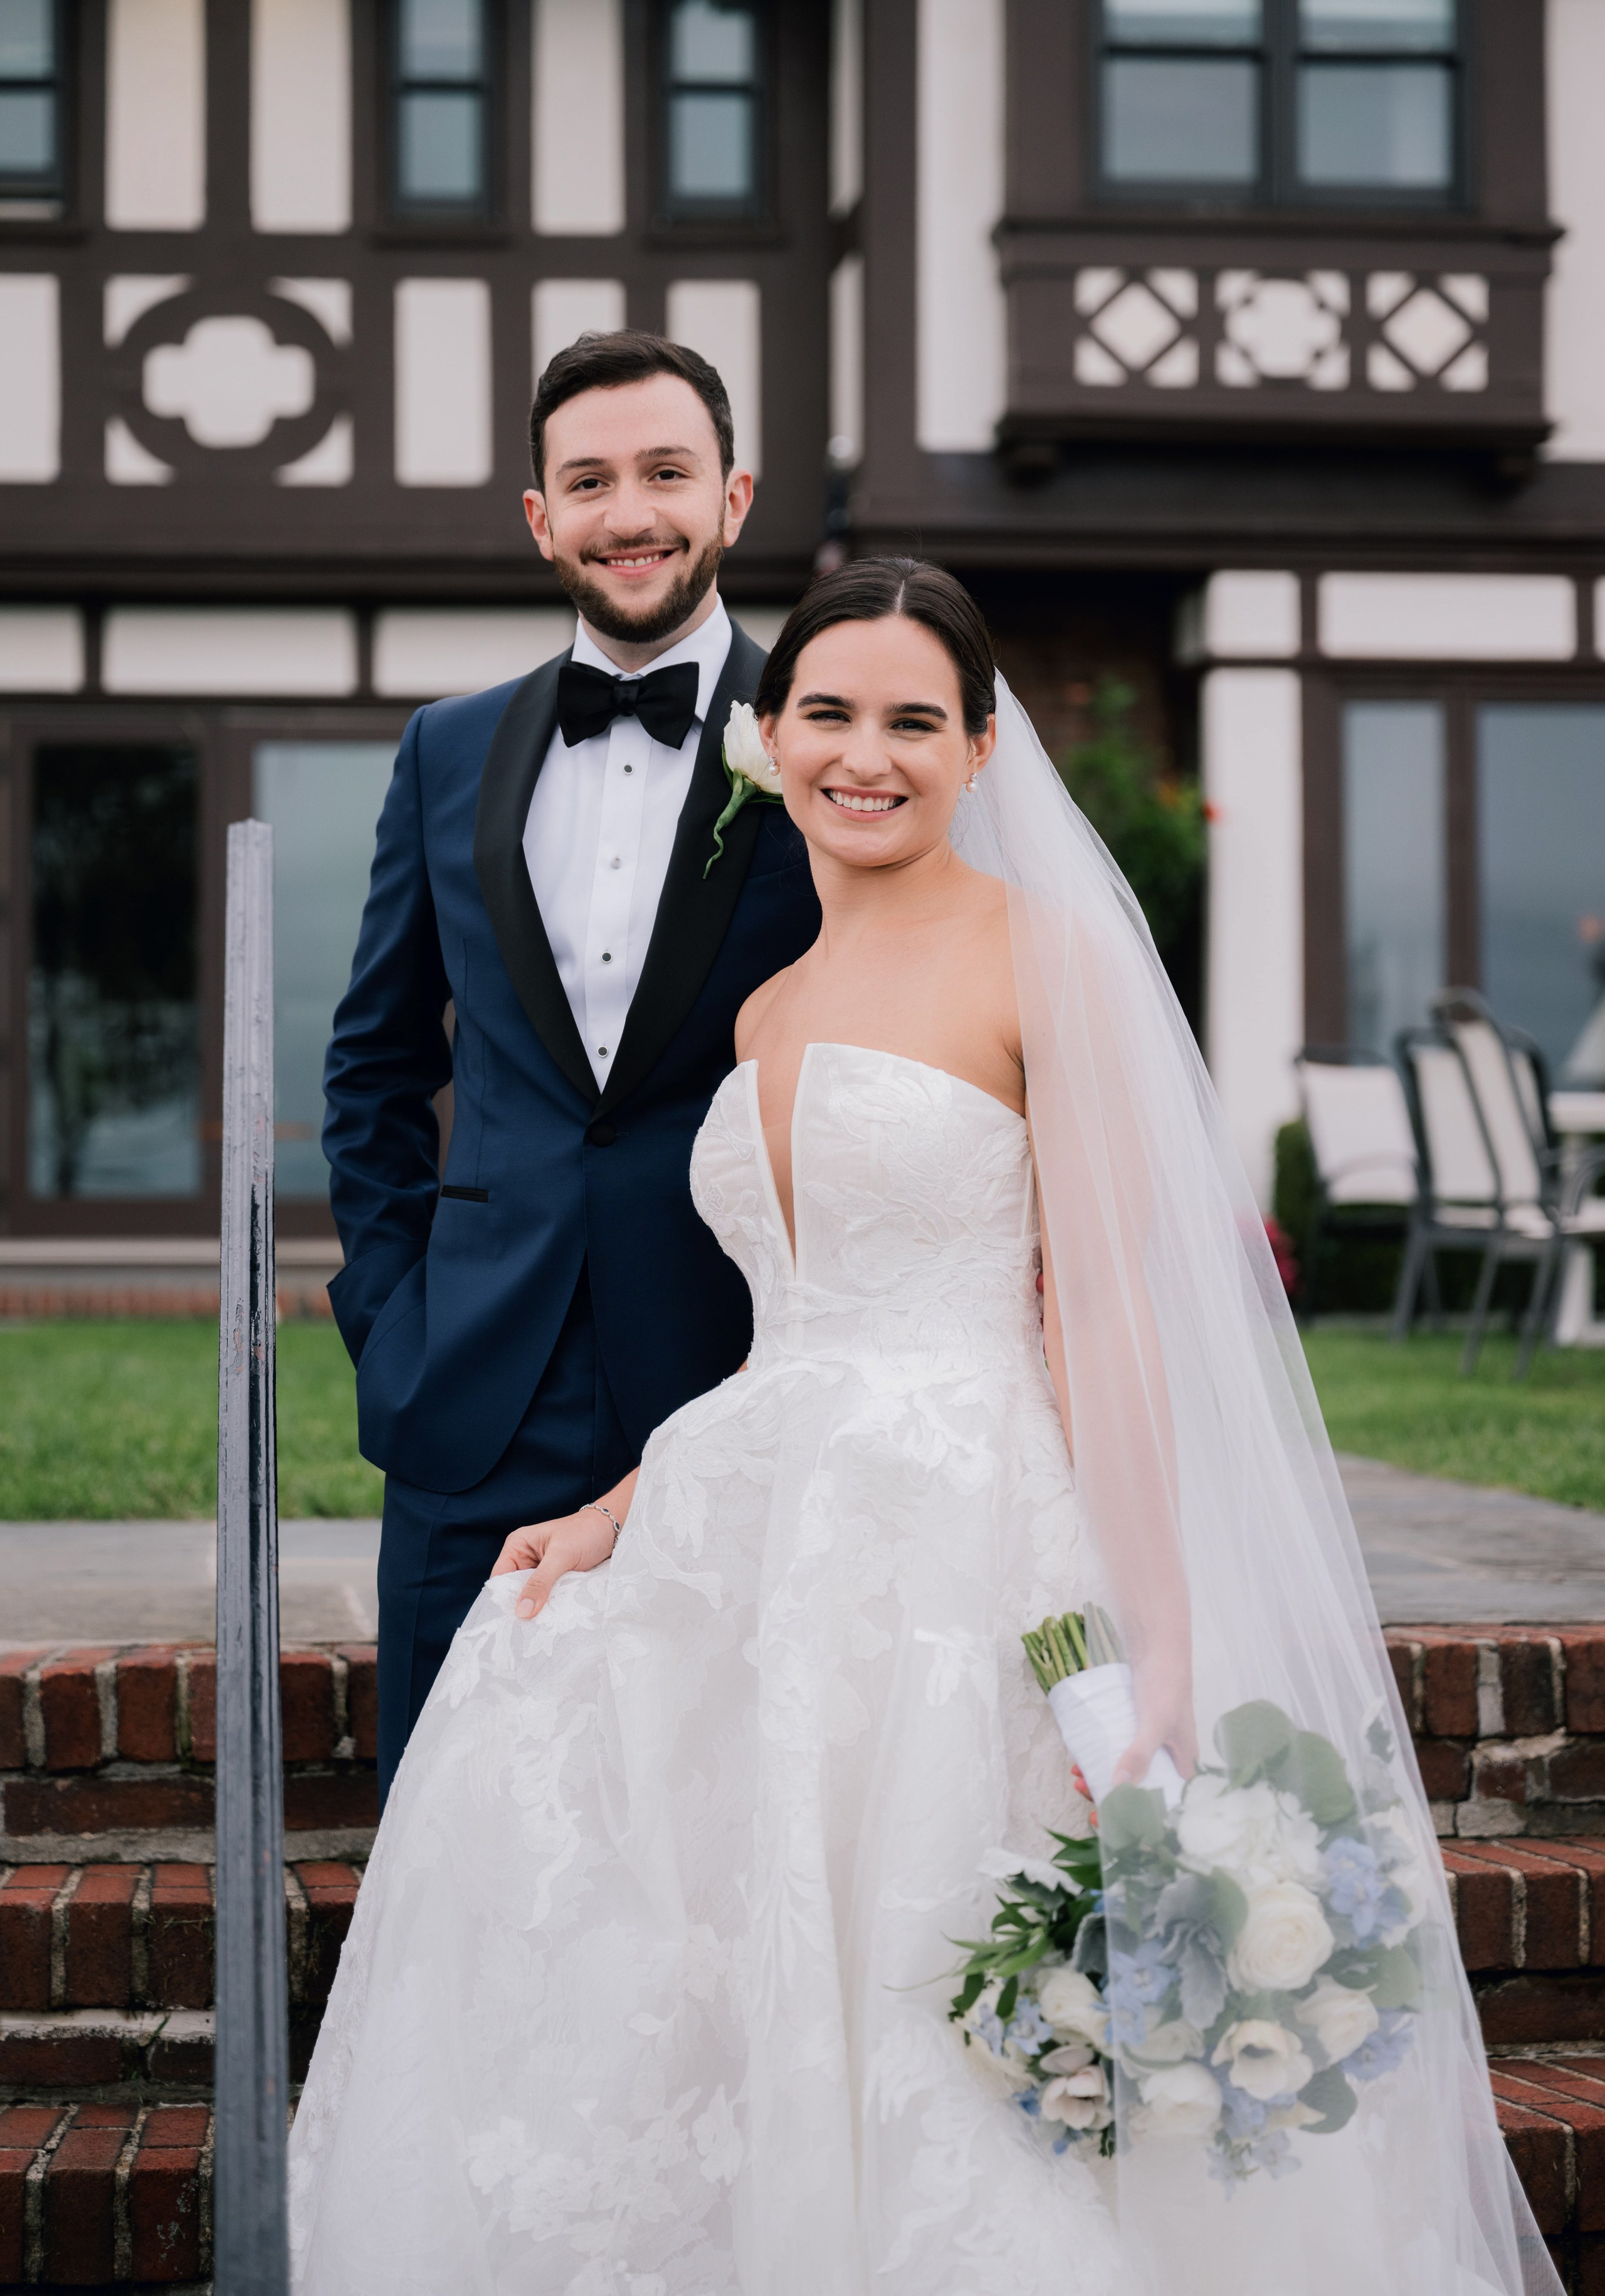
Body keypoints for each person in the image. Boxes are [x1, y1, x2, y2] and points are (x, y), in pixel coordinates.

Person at [292, 561, 1555, 2296]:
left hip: (962, 1545)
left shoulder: (1044, 959)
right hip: (759, 1516)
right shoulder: (768, 1004)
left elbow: (1099, 1318)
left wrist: (1162, 1645)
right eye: (827, 713)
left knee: (938, 1986)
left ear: (979, 748)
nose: (863, 754)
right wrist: (615, 1506)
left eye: (911, 721)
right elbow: (797, 1336)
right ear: (771, 737)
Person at [321, 331, 820, 1801]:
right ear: (540, 517)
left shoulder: (829, 738)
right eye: (588, 481)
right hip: (477, 1380)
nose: (629, 512)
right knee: (451, 1815)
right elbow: (373, 1063)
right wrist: (392, 1315)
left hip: (737, 1367)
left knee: (714, 1814)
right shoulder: (445, 749)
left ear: (733, 496)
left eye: (666, 472)